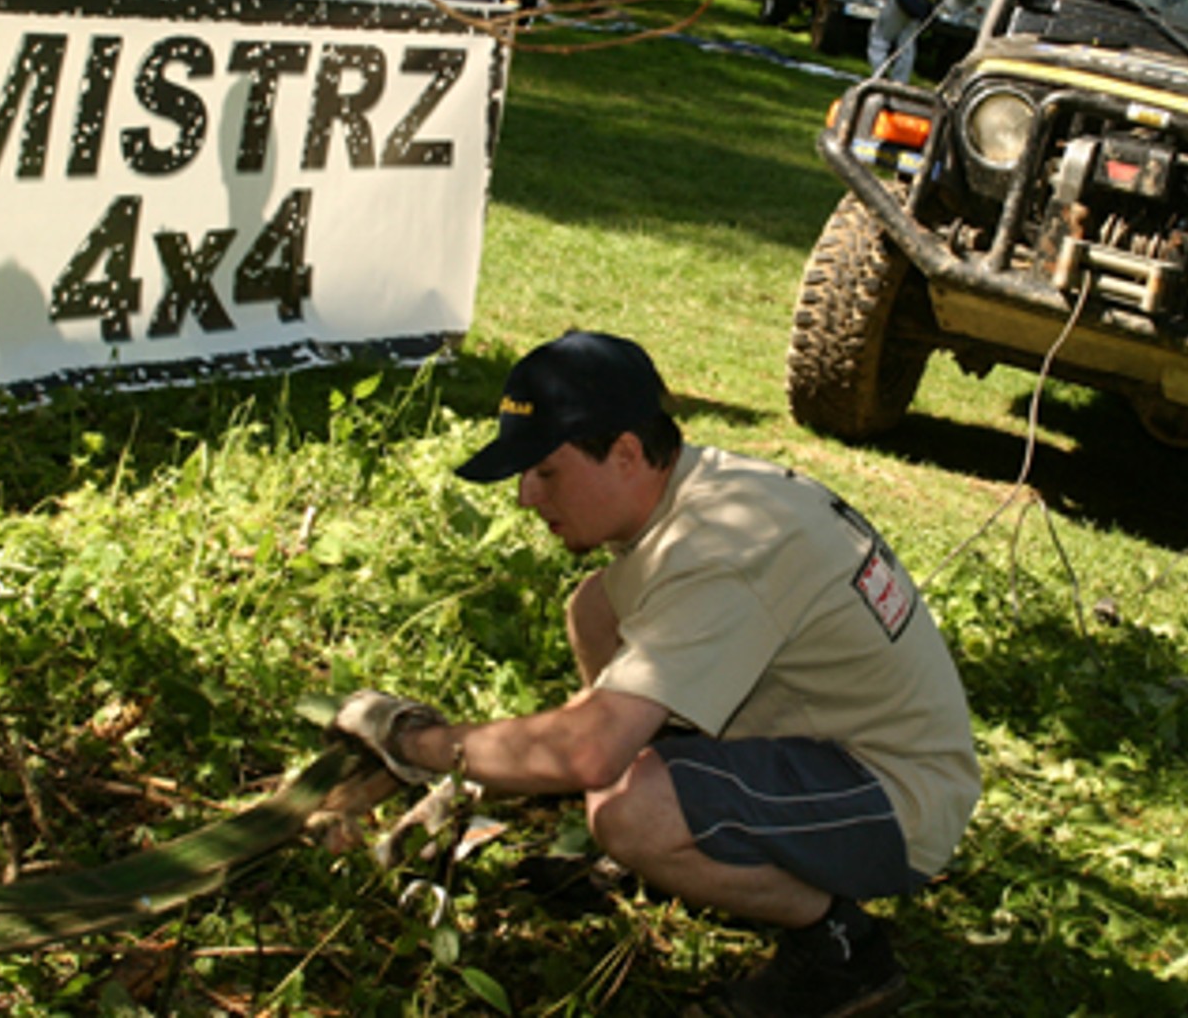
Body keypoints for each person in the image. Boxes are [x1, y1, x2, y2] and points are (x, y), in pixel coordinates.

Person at [330, 331, 981, 1017]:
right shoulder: (705, 489)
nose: (525, 496)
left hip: (893, 802)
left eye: (547, 472)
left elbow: (589, 749)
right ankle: (675, 841)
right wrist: (474, 780)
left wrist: (414, 746)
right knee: (596, 609)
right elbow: (596, 703)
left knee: (629, 808)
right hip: (815, 741)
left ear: (627, 453)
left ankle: (841, 952)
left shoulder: (724, 551)